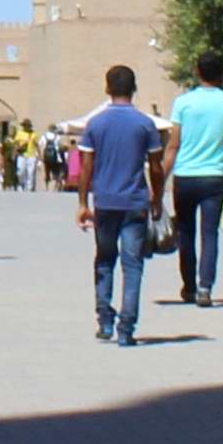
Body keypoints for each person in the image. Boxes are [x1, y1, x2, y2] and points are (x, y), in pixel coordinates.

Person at [75, 64, 164, 345]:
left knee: (104, 261)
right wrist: (157, 199)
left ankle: (104, 319)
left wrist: (82, 202)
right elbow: (156, 167)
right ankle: (126, 328)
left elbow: (86, 168)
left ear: (107, 89)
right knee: (133, 265)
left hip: (105, 202)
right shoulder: (144, 124)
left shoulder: (96, 124)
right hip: (135, 203)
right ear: (134, 89)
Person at [164, 57, 223, 306]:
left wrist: (158, 182)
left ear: (196, 71)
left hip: (185, 175)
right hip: (213, 176)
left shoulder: (183, 103)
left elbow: (174, 143)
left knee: (186, 233)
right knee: (210, 233)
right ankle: (204, 287)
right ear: (221, 74)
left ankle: (188, 286)